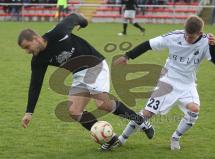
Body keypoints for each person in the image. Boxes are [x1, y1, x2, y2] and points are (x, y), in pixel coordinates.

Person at [18, 13, 154, 151]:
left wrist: (83, 24)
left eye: (27, 47)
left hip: (94, 64)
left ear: (35, 39)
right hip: (78, 74)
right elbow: (35, 84)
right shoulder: (38, 59)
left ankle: (140, 120)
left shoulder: (59, 32)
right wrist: (29, 112)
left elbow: (74, 17)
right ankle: (110, 139)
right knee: (74, 111)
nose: (27, 51)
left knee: (103, 105)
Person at [114, 15, 215, 150]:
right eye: (186, 35)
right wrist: (127, 56)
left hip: (187, 84)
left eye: (191, 37)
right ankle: (122, 138)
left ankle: (175, 138)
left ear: (200, 33)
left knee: (194, 110)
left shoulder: (207, 42)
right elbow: (148, 45)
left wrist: (212, 47)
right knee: (147, 113)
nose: (187, 39)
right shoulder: (174, 36)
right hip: (167, 81)